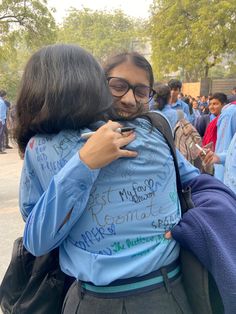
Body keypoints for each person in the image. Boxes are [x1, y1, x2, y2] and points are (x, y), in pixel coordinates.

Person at [15, 45, 200, 314]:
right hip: (157, 294)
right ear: (98, 86)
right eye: (118, 86)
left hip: (109, 298)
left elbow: (37, 242)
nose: (129, 100)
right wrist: (84, 163)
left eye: (140, 91)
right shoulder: (153, 129)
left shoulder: (152, 129)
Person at [201, 100, 236, 181]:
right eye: (210, 104)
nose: (212, 107)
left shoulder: (229, 114)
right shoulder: (230, 113)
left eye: (215, 104)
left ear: (223, 104)